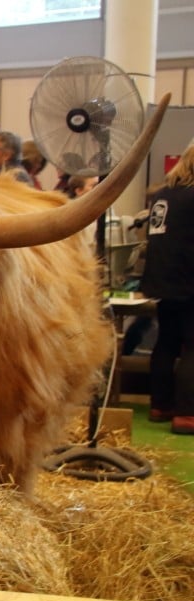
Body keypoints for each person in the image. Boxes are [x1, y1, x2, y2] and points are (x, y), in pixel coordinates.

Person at [140, 143, 194, 434]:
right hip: (189, 280)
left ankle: (160, 406)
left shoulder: (162, 195)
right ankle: (187, 414)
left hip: (163, 280)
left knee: (167, 342)